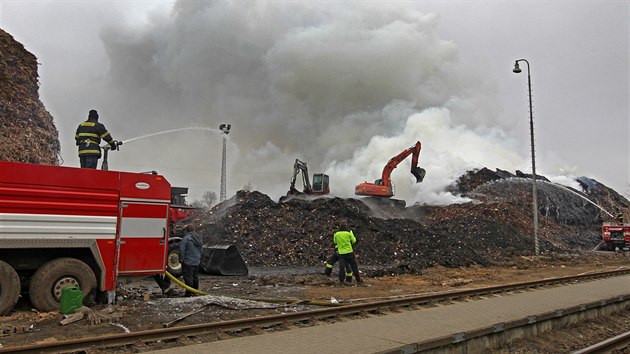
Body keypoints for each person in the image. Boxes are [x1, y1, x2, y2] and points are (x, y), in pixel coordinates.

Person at [333, 221, 365, 286]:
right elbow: (354, 240)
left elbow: (335, 241)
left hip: (341, 253)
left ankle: (341, 282)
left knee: (342, 268)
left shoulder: (336, 234)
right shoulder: (349, 233)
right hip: (349, 252)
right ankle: (358, 281)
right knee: (354, 267)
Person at [180, 223, 204, 297]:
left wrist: (181, 260)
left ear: (186, 230)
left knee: (188, 277)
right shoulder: (199, 237)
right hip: (197, 261)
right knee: (195, 277)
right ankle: (195, 291)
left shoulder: (186, 238)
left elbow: (182, 250)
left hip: (188, 261)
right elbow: (201, 249)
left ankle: (189, 293)